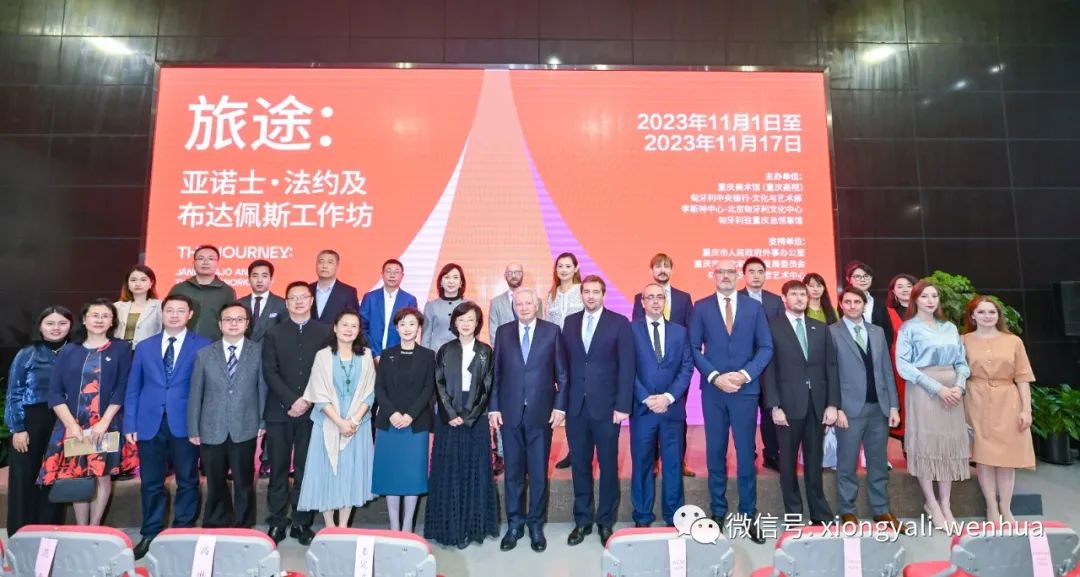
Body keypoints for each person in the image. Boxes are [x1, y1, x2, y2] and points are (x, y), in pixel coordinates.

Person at [689, 261, 773, 543]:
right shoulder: (701, 307)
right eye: (720, 272)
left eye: (730, 273)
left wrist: (745, 375)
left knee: (745, 454)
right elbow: (693, 349)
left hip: (744, 390)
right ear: (714, 276)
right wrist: (714, 376)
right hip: (713, 392)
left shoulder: (754, 307)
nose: (725, 277)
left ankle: (749, 514)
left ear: (738, 276)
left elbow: (766, 347)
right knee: (715, 452)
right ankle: (718, 512)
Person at [123, 294, 211, 558]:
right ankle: (150, 532)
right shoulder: (145, 346)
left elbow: (207, 389)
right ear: (161, 313)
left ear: (190, 315)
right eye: (169, 310)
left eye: (180, 310)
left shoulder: (204, 345)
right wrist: (130, 422)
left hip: (185, 424)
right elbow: (133, 387)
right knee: (151, 483)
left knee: (188, 480)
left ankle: (182, 531)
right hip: (149, 423)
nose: (174, 315)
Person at [38, 299, 132, 526]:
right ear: (84, 319)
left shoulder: (122, 348)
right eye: (94, 315)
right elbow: (55, 392)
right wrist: (71, 425)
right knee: (77, 473)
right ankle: (81, 528)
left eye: (105, 316)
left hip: (106, 422)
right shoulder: (70, 350)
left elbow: (122, 389)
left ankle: (95, 526)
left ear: (112, 321)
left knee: (102, 474)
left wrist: (104, 422)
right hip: (73, 424)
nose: (99, 320)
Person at [490, 287, 569, 553]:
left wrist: (560, 408)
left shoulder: (551, 331)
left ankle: (536, 525)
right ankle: (514, 525)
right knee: (512, 473)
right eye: (519, 304)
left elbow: (563, 375)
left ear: (536, 305)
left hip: (541, 415)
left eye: (528, 303)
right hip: (510, 414)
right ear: (514, 306)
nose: (523, 307)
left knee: (537, 473)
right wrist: (494, 408)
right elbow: (496, 374)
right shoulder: (503, 332)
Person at [562, 276, 634, 546]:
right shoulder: (570, 323)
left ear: (604, 294)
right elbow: (564, 366)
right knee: (580, 466)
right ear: (581, 294)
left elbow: (627, 367)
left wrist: (623, 406)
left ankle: (605, 521)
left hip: (607, 409)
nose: (591, 296)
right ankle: (582, 521)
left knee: (608, 466)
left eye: (596, 292)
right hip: (576, 408)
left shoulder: (619, 323)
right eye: (586, 292)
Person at [895, 281, 971, 530]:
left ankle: (946, 503)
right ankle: (932, 503)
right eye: (924, 296)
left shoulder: (949, 327)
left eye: (934, 296)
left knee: (948, 446)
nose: (930, 300)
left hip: (953, 392)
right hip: (924, 391)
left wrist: (959, 387)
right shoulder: (908, 328)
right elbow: (904, 366)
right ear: (915, 300)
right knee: (928, 446)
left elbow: (961, 362)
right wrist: (937, 389)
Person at [762, 280, 840, 525]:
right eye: (793, 294)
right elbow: (769, 369)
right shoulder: (772, 327)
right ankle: (794, 514)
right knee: (787, 464)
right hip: (787, 406)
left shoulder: (820, 328)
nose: (799, 298)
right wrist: (774, 405)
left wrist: (832, 404)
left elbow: (831, 367)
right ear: (784, 298)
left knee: (814, 462)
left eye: (802, 294)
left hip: (817, 406)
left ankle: (820, 514)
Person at [261, 281, 332, 544]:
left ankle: (302, 522)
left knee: (306, 469)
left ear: (311, 300)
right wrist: (292, 400)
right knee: (278, 469)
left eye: (303, 297)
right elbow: (270, 371)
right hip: (279, 411)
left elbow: (326, 371)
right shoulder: (274, 333)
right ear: (286, 303)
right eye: (293, 298)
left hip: (313, 412)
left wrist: (308, 400)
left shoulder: (325, 332)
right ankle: (277, 521)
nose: (299, 302)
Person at [425, 302, 500, 549]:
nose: (466, 323)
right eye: (461, 319)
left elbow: (487, 386)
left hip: (475, 423)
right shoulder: (444, 350)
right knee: (449, 472)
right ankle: (448, 528)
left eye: (471, 319)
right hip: (448, 422)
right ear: (454, 323)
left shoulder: (486, 351)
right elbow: (439, 384)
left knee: (474, 472)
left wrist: (469, 416)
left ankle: (472, 527)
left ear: (477, 323)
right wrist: (450, 413)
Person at [830, 287, 903, 531]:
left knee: (878, 463)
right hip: (849, 410)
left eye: (857, 302)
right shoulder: (832, 332)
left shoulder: (877, 331)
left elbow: (886, 371)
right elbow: (829, 375)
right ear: (841, 305)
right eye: (847, 302)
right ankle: (847, 512)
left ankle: (881, 510)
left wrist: (893, 406)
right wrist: (836, 406)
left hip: (879, 408)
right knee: (847, 463)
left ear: (864, 305)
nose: (852, 306)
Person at [187, 302, 266, 528]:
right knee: (215, 480)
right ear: (220, 324)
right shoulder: (204, 354)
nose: (234, 323)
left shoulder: (258, 351)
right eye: (228, 319)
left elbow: (263, 388)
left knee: (243, 481)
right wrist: (193, 428)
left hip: (245, 425)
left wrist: (262, 420)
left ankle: (242, 525)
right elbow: (196, 394)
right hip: (211, 427)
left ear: (247, 324)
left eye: (239, 319)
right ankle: (216, 523)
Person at [297, 311, 377, 528]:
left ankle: (343, 527)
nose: (349, 329)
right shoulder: (323, 356)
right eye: (344, 325)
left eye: (354, 326)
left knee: (350, 476)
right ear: (335, 328)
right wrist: (340, 423)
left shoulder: (366, 356)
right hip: (328, 423)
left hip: (357, 425)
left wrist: (353, 421)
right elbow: (319, 394)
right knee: (326, 473)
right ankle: (329, 527)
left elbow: (370, 393)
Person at [962, 296, 1036, 523]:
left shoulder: (1013, 341)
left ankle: (1006, 507)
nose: (987, 316)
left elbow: (1023, 377)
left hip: (1008, 401)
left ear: (998, 315)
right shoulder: (962, 340)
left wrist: (1026, 410)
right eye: (982, 312)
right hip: (976, 400)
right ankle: (991, 507)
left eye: (992, 312)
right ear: (972, 316)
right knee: (984, 458)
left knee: (1007, 458)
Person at [629, 283, 694, 528]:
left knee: (673, 463)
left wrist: (668, 397)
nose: (655, 302)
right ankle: (642, 516)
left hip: (671, 409)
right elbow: (628, 368)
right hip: (643, 409)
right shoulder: (631, 330)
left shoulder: (680, 331)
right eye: (650, 298)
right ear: (642, 302)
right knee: (643, 462)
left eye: (659, 297)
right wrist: (646, 397)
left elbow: (687, 367)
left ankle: (674, 516)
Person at [5, 306, 71, 535]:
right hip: (31, 420)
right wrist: (18, 428)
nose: (56, 328)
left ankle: (49, 529)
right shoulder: (27, 353)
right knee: (24, 476)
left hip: (64, 421)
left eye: (62, 323)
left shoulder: (75, 351)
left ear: (71, 325)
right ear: (40, 327)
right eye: (50, 323)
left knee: (54, 475)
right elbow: (14, 392)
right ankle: (20, 532)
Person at [631, 253, 696, 478]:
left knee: (678, 418)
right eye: (658, 266)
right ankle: (655, 461)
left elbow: (690, 331)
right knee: (649, 422)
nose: (662, 270)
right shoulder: (640, 297)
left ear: (671, 270)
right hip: (648, 375)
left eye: (666, 266)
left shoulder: (683, 297)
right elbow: (636, 336)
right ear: (651, 270)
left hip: (675, 372)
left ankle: (679, 461)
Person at [372, 307, 435, 532]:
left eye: (412, 324)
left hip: (415, 425)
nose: (407, 328)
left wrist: (409, 415)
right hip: (389, 425)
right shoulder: (387, 355)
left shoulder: (428, 356)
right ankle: (393, 524)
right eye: (402, 324)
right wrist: (392, 413)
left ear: (419, 328)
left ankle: (407, 525)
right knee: (391, 476)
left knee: (412, 476)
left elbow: (429, 388)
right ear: (396, 328)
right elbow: (380, 388)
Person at [488, 262, 536, 476]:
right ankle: (501, 454)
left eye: (518, 272)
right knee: (504, 413)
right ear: (505, 275)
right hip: (506, 364)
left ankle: (525, 456)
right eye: (511, 272)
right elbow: (493, 333)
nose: (514, 275)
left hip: (530, 368)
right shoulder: (496, 302)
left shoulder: (536, 300)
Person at [738, 256, 783, 473]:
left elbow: (782, 334)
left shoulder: (775, 301)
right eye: (752, 272)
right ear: (744, 275)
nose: (756, 276)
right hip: (743, 367)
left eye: (760, 272)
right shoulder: (735, 298)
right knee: (745, 415)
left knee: (769, 412)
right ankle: (748, 453)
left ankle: (772, 454)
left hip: (770, 366)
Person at [546, 252, 583, 470]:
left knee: (578, 400)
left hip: (577, 352)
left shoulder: (582, 291)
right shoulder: (551, 294)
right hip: (556, 353)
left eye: (568, 266)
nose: (564, 270)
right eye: (560, 266)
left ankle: (578, 449)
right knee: (564, 401)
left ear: (576, 268)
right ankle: (572, 449)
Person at [168, 245, 237, 340]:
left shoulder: (227, 291)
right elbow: (167, 318)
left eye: (211, 259)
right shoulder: (179, 289)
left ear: (217, 263)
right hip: (181, 345)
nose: (205, 262)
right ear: (194, 263)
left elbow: (231, 322)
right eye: (201, 258)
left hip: (214, 346)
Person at [360, 258, 418, 360]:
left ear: (402, 276)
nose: (392, 275)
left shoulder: (409, 300)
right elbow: (362, 327)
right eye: (388, 271)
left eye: (396, 272)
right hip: (370, 355)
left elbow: (410, 331)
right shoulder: (370, 298)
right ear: (382, 274)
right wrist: (373, 353)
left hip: (399, 356)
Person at [885, 274, 917, 442]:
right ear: (893, 292)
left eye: (909, 285)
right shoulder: (886, 312)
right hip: (898, 369)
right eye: (900, 286)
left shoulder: (924, 311)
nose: (905, 289)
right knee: (905, 408)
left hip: (924, 367)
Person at [421, 263, 466, 353]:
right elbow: (426, 337)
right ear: (441, 282)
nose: (451, 281)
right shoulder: (431, 306)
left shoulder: (469, 305)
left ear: (461, 282)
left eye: (455, 277)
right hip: (437, 354)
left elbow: (475, 335)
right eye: (447, 277)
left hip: (462, 354)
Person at [114, 264, 162, 346]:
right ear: (127, 284)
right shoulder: (116, 307)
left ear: (151, 283)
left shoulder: (159, 306)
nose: (138, 284)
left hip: (147, 352)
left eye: (143, 280)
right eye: (133, 280)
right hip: (120, 353)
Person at [240, 259, 287, 343]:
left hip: (270, 353)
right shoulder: (239, 304)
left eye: (264, 276)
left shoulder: (282, 304)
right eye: (255, 276)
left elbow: (285, 334)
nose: (259, 280)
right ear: (249, 279)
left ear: (271, 279)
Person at [311, 249, 360, 325]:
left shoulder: (348, 292)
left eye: (330, 262)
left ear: (337, 266)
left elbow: (353, 321)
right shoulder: (307, 290)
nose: (324, 266)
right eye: (321, 262)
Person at [844, 261, 890, 341]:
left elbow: (887, 329)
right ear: (849, 279)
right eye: (857, 276)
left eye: (866, 276)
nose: (863, 280)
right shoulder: (845, 301)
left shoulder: (880, 302)